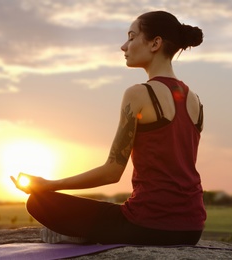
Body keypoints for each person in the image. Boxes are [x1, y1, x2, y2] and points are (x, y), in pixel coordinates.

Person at [11, 10, 206, 246]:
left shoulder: (138, 94)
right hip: (192, 227)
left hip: (148, 225)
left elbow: (112, 172)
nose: (124, 46)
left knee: (37, 201)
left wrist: (49, 184)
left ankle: (82, 234)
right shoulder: (194, 99)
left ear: (155, 43)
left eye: (132, 37)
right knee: (115, 211)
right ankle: (88, 231)